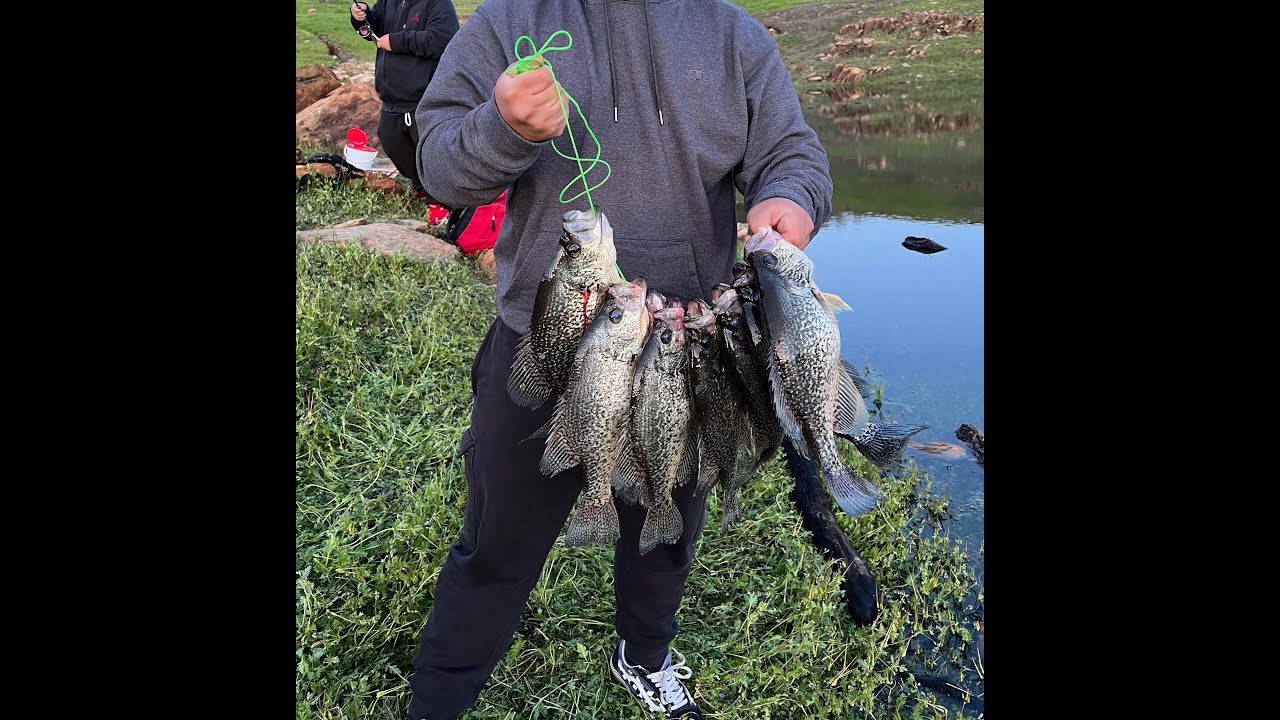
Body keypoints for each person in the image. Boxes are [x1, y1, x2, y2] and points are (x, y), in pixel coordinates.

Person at [406, 1, 833, 718]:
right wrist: (500, 128)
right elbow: (438, 170)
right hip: (544, 348)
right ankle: (438, 700)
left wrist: (789, 198)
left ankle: (645, 658)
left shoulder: (734, 35)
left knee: (667, 529)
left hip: (690, 351)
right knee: (496, 546)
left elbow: (792, 152)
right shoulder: (505, 22)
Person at [348, 1, 459, 201]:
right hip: (391, 95)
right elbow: (375, 26)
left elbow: (443, 39)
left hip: (421, 99)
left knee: (432, 156)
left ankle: (443, 203)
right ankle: (426, 192)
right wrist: (361, 18)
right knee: (393, 144)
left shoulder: (437, 3)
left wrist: (397, 41)